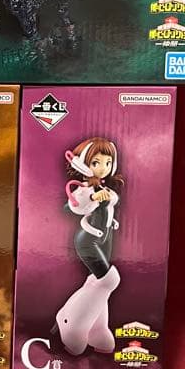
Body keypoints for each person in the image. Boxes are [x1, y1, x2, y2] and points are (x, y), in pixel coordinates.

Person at [54, 137, 124, 354]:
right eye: (96, 162)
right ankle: (70, 323)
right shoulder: (84, 190)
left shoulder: (103, 187)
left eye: (108, 162)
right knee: (109, 280)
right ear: (83, 164)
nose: (103, 168)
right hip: (88, 241)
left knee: (96, 283)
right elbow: (73, 206)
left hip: (105, 238)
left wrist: (106, 201)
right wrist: (93, 196)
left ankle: (97, 329)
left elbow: (110, 203)